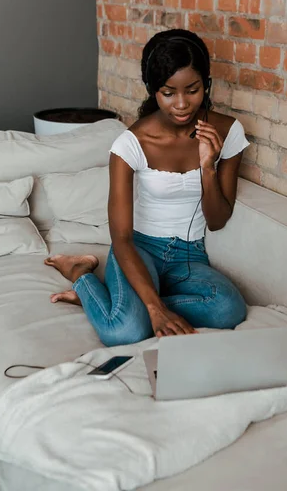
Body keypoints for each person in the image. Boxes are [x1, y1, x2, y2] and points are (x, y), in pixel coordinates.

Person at [45, 29, 249, 346]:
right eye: (168, 93)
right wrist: (155, 309)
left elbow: (217, 220)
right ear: (153, 91)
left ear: (206, 85)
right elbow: (122, 238)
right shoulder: (130, 145)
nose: (182, 104)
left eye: (192, 90)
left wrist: (208, 167)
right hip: (138, 250)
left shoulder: (227, 131)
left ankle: (119, 303)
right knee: (123, 332)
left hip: (189, 256)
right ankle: (82, 274)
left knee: (228, 309)